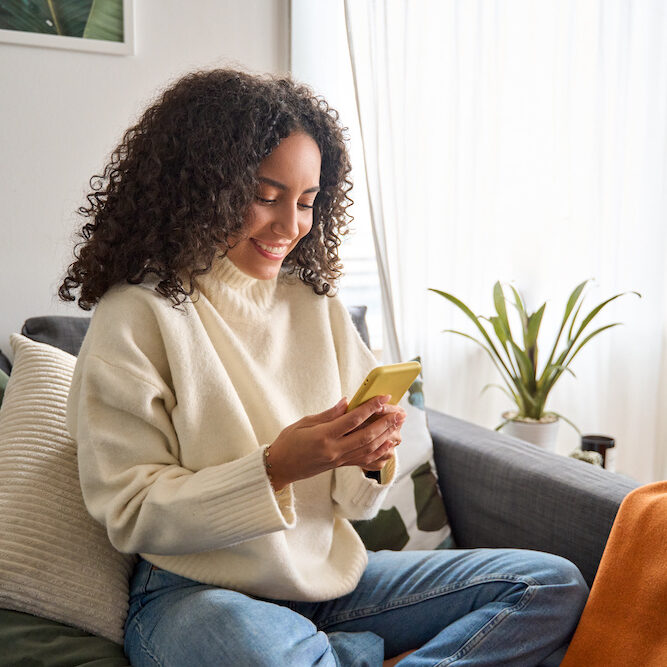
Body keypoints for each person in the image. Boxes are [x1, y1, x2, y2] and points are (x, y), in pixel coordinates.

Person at [60, 68, 589, 666]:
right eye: (266, 198)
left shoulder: (316, 307)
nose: (291, 226)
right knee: (253, 651)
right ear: (200, 187)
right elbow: (131, 514)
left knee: (550, 585)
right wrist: (277, 467)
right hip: (199, 598)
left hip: (329, 584)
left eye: (307, 202)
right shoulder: (137, 314)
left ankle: (335, 653)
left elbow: (356, 505)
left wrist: (367, 456)